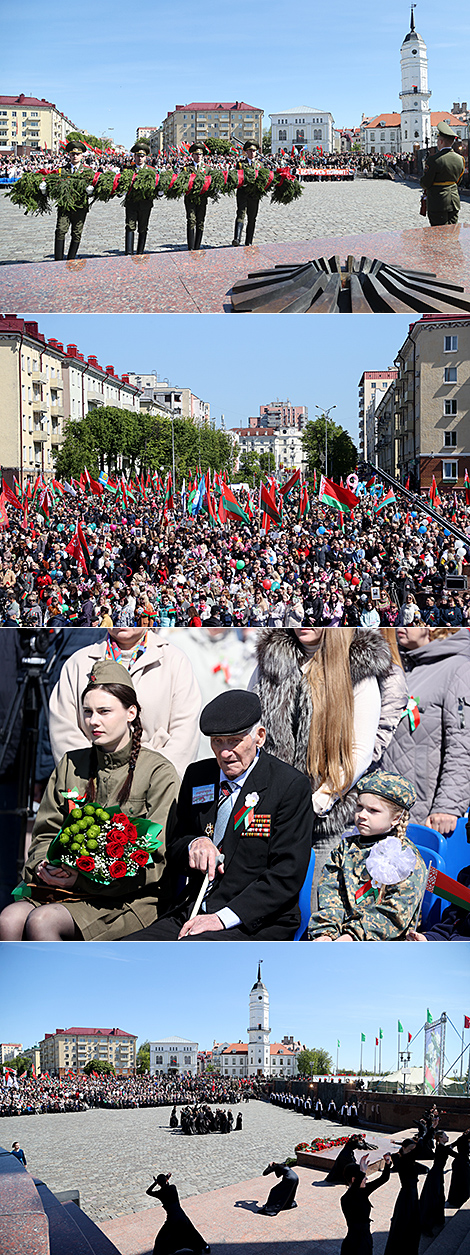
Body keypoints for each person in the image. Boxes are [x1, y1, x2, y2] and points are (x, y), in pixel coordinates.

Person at [0, 661, 179, 940]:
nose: (93, 721)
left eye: (104, 712)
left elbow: (156, 860)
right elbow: (46, 832)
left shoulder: (158, 772)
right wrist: (42, 866)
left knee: (42, 921)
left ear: (131, 712)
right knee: (8, 918)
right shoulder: (71, 764)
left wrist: (83, 878)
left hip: (128, 899)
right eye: (87, 712)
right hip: (64, 888)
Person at [125, 689, 313, 940]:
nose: (224, 753)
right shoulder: (198, 776)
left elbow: (287, 874)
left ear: (259, 737)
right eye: (217, 741)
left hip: (253, 921)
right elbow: (176, 844)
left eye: (234, 741)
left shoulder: (289, 786)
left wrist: (222, 918)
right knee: (129, 951)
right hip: (192, 911)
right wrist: (195, 843)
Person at [251, 627, 396, 899]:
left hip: (326, 818)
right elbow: (251, 728)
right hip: (270, 813)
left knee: (320, 905)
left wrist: (320, 800)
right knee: (264, 904)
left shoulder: (358, 667)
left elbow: (360, 751)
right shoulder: (270, 659)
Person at [47, 628, 201, 781]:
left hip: (154, 783)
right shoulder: (78, 663)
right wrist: (93, 778)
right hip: (92, 785)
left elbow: (184, 733)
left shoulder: (175, 661)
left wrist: (155, 779)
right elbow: (64, 730)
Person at [309, 771, 427, 940]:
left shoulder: (407, 859)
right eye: (359, 807)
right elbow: (331, 895)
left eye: (373, 810)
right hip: (340, 940)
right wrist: (326, 932)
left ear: (395, 819)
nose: (362, 815)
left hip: (385, 946)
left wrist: (352, 936)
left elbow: (394, 914)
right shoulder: (345, 848)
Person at [379, 626, 470, 834]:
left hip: (426, 813)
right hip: (388, 805)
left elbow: (463, 744)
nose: (401, 625)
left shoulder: (459, 668)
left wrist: (448, 805)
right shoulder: (401, 667)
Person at [384, 1139, 429, 1255]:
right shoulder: (405, 1159)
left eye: (413, 1150)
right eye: (410, 1150)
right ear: (404, 1149)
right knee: (407, 1223)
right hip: (408, 1195)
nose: (413, 1152)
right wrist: (431, 1128)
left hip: (409, 1194)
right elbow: (419, 1148)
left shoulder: (400, 1158)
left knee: (408, 1222)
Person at [146, 1173, 210, 1255]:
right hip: (181, 1215)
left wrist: (155, 1182)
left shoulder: (160, 1193)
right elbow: (167, 1186)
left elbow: (148, 1192)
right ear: (166, 1180)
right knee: (192, 1232)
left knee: (161, 1238)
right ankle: (205, 1247)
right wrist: (166, 1179)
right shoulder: (173, 1188)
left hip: (171, 1219)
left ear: (159, 1183)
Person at [340, 1153, 392, 1254]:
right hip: (354, 1243)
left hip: (365, 1237)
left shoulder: (363, 1191)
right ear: (354, 1179)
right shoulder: (346, 1199)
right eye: (364, 1177)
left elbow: (383, 1179)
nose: (366, 1179)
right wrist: (361, 1172)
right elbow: (352, 1193)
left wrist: (387, 1163)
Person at [420, 121, 465, 227]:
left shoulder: (434, 160)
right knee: (453, 231)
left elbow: (426, 183)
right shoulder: (460, 159)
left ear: (440, 141)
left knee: (439, 234)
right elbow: (458, 180)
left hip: (438, 202)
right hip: (454, 201)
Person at [53, 140, 91, 261]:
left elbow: (95, 186)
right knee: (60, 230)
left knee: (76, 232)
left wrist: (91, 190)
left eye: (78, 154)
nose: (75, 156)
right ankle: (58, 260)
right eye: (72, 154)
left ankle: (71, 259)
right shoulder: (61, 171)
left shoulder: (88, 172)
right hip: (65, 207)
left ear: (82, 156)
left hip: (80, 207)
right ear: (69, 155)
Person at [419, 1131, 456, 1236]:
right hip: (435, 1176)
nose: (447, 1136)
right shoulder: (443, 1148)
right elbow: (456, 1155)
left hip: (436, 1174)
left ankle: (436, 1220)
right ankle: (427, 1225)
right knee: (433, 1199)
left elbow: (451, 1147)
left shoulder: (441, 1147)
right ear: (440, 1138)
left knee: (438, 1198)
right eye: (445, 1135)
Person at [125, 140, 154, 256]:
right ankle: (128, 252)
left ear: (145, 157)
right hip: (131, 203)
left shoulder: (152, 171)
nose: (140, 159)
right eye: (137, 156)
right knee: (130, 226)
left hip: (145, 204)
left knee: (143, 227)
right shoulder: (128, 170)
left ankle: (140, 252)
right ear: (134, 156)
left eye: (142, 156)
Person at [232, 142, 262, 247]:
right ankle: (237, 238)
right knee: (240, 214)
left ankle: (249, 241)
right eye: (250, 151)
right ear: (246, 152)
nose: (252, 153)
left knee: (252, 217)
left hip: (254, 195)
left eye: (254, 151)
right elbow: (237, 177)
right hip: (243, 193)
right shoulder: (240, 164)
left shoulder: (259, 165)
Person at [185, 144, 210, 251]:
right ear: (192, 155)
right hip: (190, 199)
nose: (198, 156)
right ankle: (190, 247)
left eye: (200, 154)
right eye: (196, 154)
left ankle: (197, 246)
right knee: (191, 220)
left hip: (202, 199)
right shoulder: (187, 169)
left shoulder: (207, 169)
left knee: (200, 222)